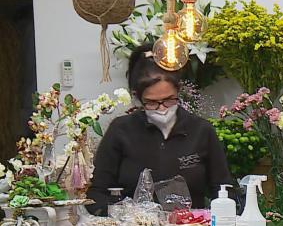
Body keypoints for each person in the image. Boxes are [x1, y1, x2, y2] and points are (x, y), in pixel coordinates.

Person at [87, 44, 232, 215]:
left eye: (169, 100)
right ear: (138, 98)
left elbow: (224, 189)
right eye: (152, 103)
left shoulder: (201, 130)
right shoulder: (121, 130)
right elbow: (96, 193)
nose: (162, 109)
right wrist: (123, 216)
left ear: (179, 91)